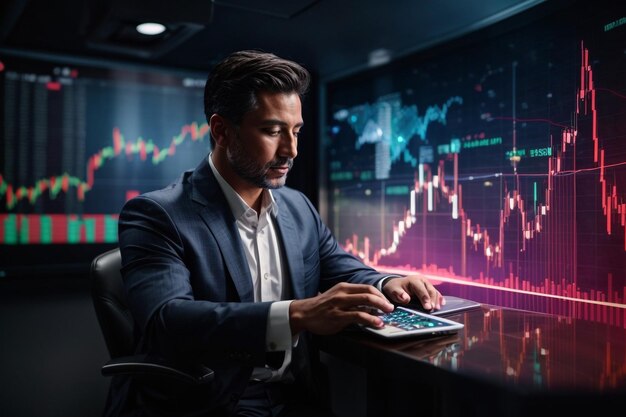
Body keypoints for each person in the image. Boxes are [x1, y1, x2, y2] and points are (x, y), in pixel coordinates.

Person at [111, 49, 444, 417]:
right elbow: (167, 321)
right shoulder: (156, 214)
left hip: (296, 397)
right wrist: (294, 315)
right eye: (272, 131)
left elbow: (342, 269)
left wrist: (389, 283)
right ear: (222, 130)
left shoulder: (297, 207)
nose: (291, 150)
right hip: (209, 403)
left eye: (296, 131)